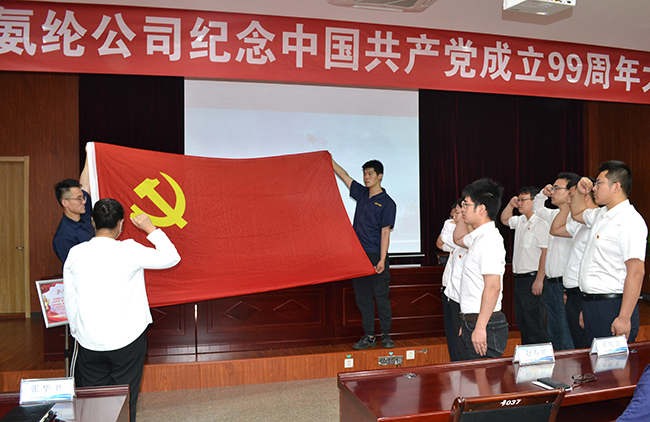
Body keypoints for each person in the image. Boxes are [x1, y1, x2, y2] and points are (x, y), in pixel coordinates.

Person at [64, 199, 181, 422]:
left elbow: (70, 298)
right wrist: (150, 228)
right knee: (126, 401)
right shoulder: (129, 250)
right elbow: (172, 257)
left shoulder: (75, 253)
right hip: (128, 341)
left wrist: (78, 333)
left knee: (95, 403)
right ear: (121, 224)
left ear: (92, 221)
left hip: (89, 341)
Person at [571, 161, 647, 344]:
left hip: (613, 307)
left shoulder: (629, 220)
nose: (594, 188)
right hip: (592, 305)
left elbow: (636, 272)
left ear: (616, 187)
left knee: (613, 363)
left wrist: (624, 317)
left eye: (599, 183)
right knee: (594, 361)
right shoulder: (601, 215)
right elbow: (577, 213)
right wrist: (580, 193)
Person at [332, 157, 397, 350]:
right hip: (357, 256)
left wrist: (382, 259)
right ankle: (369, 336)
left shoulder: (387, 203)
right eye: (364, 174)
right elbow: (344, 175)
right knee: (363, 298)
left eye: (370, 174)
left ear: (380, 176)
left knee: (381, 297)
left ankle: (386, 335)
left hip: (376, 255)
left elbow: (385, 233)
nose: (366, 177)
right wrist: (329, 159)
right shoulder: (361, 193)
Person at [453, 178, 508, 360]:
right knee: (475, 376)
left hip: (486, 324)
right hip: (474, 321)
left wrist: (480, 327)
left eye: (466, 205)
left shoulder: (489, 240)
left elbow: (493, 287)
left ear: (482, 209)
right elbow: (458, 239)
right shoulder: (478, 236)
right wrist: (467, 321)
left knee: (485, 377)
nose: (462, 208)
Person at [532, 172, 579, 350]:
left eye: (556, 188)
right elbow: (537, 208)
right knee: (553, 333)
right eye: (552, 188)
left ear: (570, 193)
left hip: (564, 285)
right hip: (551, 284)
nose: (552, 192)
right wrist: (542, 193)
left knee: (566, 334)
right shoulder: (554, 214)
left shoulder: (576, 217)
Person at [549, 177, 597, 349]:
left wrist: (586, 302)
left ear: (586, 196)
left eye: (573, 196)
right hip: (573, 293)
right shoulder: (580, 225)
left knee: (584, 344)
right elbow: (555, 229)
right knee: (576, 342)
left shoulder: (596, 223)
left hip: (585, 294)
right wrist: (568, 291)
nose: (570, 199)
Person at [500, 186, 549, 345]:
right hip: (519, 279)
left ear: (534, 201)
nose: (519, 203)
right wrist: (510, 204)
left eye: (523, 200)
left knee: (535, 324)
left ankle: (540, 355)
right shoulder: (521, 220)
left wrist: (539, 279)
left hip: (533, 278)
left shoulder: (541, 223)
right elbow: (504, 220)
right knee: (523, 322)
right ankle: (528, 354)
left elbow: (545, 253)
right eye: (519, 200)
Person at [437, 199, 467, 361]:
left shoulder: (465, 238)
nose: (454, 217)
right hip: (450, 292)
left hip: (462, 297)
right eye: (453, 214)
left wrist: (451, 222)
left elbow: (446, 238)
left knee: (460, 338)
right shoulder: (457, 237)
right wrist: (454, 220)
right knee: (452, 335)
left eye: (457, 213)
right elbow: (440, 243)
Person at [53, 154, 94, 264]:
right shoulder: (64, 236)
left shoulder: (83, 212)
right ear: (65, 203)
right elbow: (74, 266)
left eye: (83, 197)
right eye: (79, 198)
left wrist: (89, 153)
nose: (84, 201)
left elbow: (85, 184)